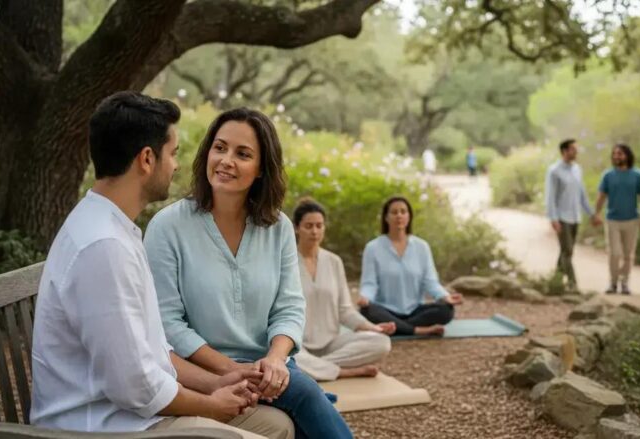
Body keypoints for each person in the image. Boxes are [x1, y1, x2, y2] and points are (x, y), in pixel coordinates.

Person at [31, 92, 294, 439]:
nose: (177, 166)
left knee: (277, 424)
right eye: (173, 154)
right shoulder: (104, 247)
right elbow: (136, 387)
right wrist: (212, 404)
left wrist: (219, 381)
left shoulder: (114, 228)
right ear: (146, 159)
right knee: (270, 431)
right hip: (103, 427)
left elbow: (152, 354)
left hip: (128, 413)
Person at [144, 108, 353, 438]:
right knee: (307, 400)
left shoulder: (279, 227)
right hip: (198, 369)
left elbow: (289, 306)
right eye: (220, 147)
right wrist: (232, 369)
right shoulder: (167, 227)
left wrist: (275, 360)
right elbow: (167, 323)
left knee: (302, 403)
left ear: (261, 169)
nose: (226, 160)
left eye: (242, 154)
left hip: (268, 366)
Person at [291, 199, 394, 381]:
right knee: (283, 356)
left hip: (332, 344)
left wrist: (373, 328)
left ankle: (313, 369)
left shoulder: (334, 261)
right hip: (297, 345)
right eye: (308, 226)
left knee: (382, 343)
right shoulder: (286, 262)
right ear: (297, 228)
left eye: (319, 225)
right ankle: (344, 371)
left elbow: (345, 310)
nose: (314, 231)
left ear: (324, 228)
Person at [358, 196, 464, 336]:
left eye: (403, 211)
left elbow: (430, 282)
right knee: (367, 311)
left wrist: (445, 296)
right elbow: (369, 283)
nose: (399, 216)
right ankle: (416, 330)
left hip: (415, 311)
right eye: (394, 212)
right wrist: (365, 297)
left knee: (446, 310)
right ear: (386, 218)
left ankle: (394, 327)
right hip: (385, 309)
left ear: (409, 217)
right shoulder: (373, 248)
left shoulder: (422, 246)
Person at [593, 144, 640, 295]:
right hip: (612, 219)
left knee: (628, 254)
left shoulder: (637, 176)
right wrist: (596, 213)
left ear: (627, 155)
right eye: (614, 154)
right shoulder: (608, 175)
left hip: (632, 219)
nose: (616, 156)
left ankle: (624, 283)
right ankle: (613, 283)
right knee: (614, 253)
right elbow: (601, 196)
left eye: (620, 154)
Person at [545, 139, 598, 290]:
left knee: (566, 251)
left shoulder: (577, 169)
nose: (576, 152)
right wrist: (553, 218)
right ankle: (573, 283)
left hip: (575, 216)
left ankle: (555, 282)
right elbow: (550, 197)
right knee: (567, 251)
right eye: (573, 149)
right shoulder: (554, 171)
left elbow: (582, 195)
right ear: (565, 151)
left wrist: (592, 214)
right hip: (562, 217)